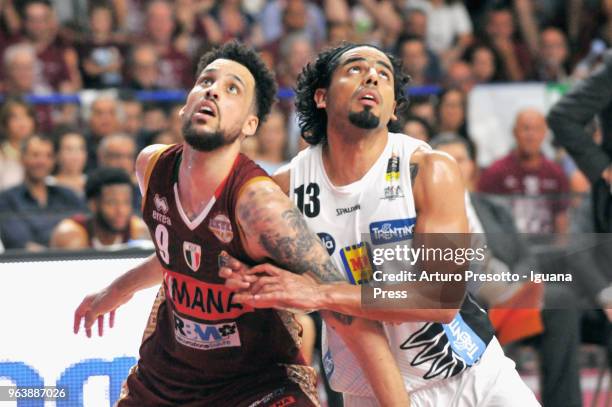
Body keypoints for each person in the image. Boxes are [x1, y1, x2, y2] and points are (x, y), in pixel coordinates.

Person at [73, 41, 409, 406]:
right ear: (185, 104)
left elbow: (360, 316)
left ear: (251, 124)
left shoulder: (260, 206)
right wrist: (119, 289)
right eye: (205, 81)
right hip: (164, 381)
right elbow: (182, 255)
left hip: (257, 385)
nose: (213, 89)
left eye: (232, 88)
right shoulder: (151, 167)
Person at [221, 43, 539, 406]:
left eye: (383, 74)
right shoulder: (285, 189)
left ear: (392, 109)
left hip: (471, 376)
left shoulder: (429, 169)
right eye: (355, 68)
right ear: (321, 96)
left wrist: (322, 294)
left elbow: (442, 298)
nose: (372, 75)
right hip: (366, 389)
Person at [432, 134, 582, 407]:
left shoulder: (494, 207)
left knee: (561, 300)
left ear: (473, 166)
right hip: (466, 304)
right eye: (446, 159)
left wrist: (519, 284)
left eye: (461, 159)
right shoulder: (423, 214)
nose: (454, 165)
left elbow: (525, 256)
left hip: (511, 295)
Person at [478, 109, 569, 234]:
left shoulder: (556, 173)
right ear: (514, 132)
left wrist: (561, 250)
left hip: (547, 248)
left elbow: (561, 217)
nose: (531, 135)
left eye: (537, 129)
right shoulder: (495, 172)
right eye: (526, 129)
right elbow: (484, 215)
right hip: (507, 248)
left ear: (544, 134)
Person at [0, 134, 85, 250]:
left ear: (54, 160)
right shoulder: (7, 199)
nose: (42, 161)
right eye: (35, 155)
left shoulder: (68, 195)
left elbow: (85, 228)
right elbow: (19, 243)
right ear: (22, 158)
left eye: (48, 156)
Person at [50, 167, 149, 250]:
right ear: (93, 204)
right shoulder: (71, 234)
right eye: (112, 203)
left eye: (126, 202)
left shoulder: (138, 230)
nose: (121, 210)